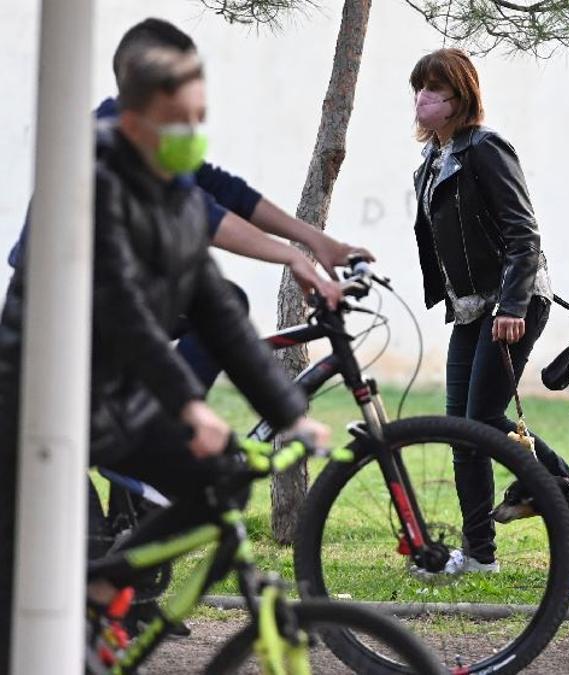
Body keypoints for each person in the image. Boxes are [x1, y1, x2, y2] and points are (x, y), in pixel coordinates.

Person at [0, 43, 329, 666]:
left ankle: (108, 586)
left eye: (197, 119)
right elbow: (125, 312)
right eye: (180, 120)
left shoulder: (168, 186)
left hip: (110, 390)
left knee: (228, 476)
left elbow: (217, 311)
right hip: (40, 387)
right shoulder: (94, 176)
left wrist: (289, 412)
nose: (192, 136)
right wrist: (187, 407)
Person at [6, 18, 374, 388]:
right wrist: (292, 255)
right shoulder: (111, 143)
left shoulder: (150, 137)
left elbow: (223, 190)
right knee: (219, 311)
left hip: (101, 302)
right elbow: (202, 215)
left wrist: (314, 239)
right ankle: (172, 435)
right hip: (58, 314)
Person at [409, 48, 569, 575]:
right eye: (419, 88)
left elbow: (523, 231)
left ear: (461, 97)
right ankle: (480, 555)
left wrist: (512, 303)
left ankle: (566, 484)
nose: (422, 99)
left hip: (511, 304)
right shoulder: (435, 158)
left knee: (480, 420)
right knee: (464, 427)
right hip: (469, 309)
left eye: (435, 91)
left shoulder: (485, 147)